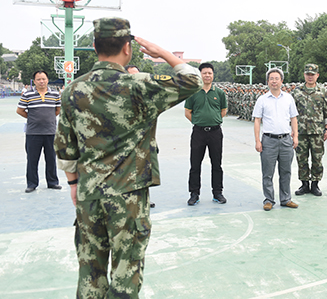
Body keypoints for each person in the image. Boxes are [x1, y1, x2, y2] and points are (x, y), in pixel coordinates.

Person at [54, 17, 202, 298]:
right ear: (127, 47)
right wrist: (162, 53)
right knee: (125, 274)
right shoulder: (139, 85)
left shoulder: (72, 90)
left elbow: (65, 146)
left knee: (90, 273)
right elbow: (193, 80)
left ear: (95, 46)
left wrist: (73, 184)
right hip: (128, 196)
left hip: (88, 194)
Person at [252, 68, 299, 211]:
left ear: (281, 81)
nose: (274, 81)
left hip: (286, 140)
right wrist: (257, 140)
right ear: (267, 82)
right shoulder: (262, 100)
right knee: (268, 173)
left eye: (276, 78)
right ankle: (269, 200)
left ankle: (286, 199)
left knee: (286, 172)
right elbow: (257, 120)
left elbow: (293, 118)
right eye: (271, 79)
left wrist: (295, 136)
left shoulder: (288, 98)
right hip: (268, 140)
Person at [185, 62, 228, 205]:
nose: (207, 75)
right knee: (195, 164)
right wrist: (199, 121)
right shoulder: (193, 92)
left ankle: (218, 193)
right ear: (200, 75)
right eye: (204, 73)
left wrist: (213, 120)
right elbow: (187, 112)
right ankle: (194, 194)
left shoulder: (219, 93)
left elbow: (223, 111)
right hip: (198, 133)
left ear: (213, 75)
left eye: (210, 73)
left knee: (217, 164)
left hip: (215, 132)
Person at [17, 70, 62, 193]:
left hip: (50, 132)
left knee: (51, 159)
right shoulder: (27, 95)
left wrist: (48, 119)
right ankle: (32, 184)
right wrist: (32, 119)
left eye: (44, 79)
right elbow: (20, 110)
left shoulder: (55, 94)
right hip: (33, 133)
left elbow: (58, 110)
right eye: (38, 79)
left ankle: (52, 182)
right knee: (32, 160)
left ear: (47, 80)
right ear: (34, 81)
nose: (41, 81)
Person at [292, 64, 327, 196]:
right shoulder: (297, 91)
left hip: (317, 132)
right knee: (301, 159)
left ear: (317, 75)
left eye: (312, 74)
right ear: (304, 75)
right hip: (301, 131)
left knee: (317, 158)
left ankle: (315, 184)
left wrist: (326, 129)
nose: (310, 77)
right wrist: (293, 130)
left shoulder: (323, 91)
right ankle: (304, 184)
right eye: (308, 74)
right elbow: (292, 113)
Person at [126, 65, 156, 209]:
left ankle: (144, 199)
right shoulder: (118, 95)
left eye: (138, 74)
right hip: (125, 143)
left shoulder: (147, 95)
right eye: (132, 75)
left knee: (145, 171)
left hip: (145, 141)